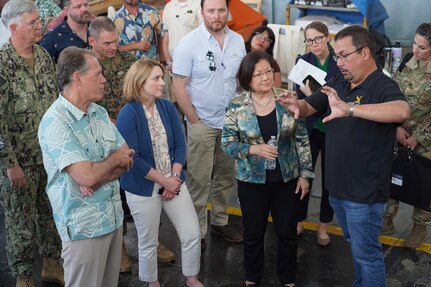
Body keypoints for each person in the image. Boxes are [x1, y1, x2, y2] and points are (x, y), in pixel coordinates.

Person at [276, 25, 410, 287]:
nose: (338, 62)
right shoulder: (338, 80)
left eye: (344, 55)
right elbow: (309, 105)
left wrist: (350, 109)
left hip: (364, 193)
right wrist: (296, 106)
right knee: (355, 246)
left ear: (365, 53)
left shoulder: (382, 85)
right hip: (337, 188)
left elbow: (401, 111)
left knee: (367, 254)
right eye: (336, 56)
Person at [38, 46, 135, 287]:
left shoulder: (99, 113)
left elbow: (127, 157)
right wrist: (109, 164)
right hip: (84, 228)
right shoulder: (55, 122)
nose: (104, 80)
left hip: (112, 220)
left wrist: (98, 173)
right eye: (98, 74)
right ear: (77, 78)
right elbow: (87, 175)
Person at [222, 51, 313, 287]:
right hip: (251, 181)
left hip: (286, 179)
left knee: (287, 232)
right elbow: (227, 144)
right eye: (258, 74)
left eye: (268, 71)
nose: (265, 77)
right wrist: (253, 150)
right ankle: (252, 277)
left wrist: (305, 175)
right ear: (246, 79)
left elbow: (301, 138)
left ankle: (288, 277)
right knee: (253, 233)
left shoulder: (287, 98)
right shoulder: (236, 106)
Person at [116, 59, 203, 287]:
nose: (162, 83)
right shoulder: (128, 113)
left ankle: (192, 278)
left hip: (173, 182)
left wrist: (173, 179)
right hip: (143, 186)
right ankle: (151, 281)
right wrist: (164, 181)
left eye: (161, 77)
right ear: (139, 81)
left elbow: (180, 145)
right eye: (156, 78)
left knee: (192, 232)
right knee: (148, 241)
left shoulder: (166, 107)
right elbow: (134, 158)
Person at [172, 0, 246, 249]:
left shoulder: (237, 41)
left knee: (226, 176)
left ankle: (220, 221)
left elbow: (240, 79)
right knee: (199, 179)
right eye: (211, 11)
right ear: (202, 12)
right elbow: (178, 87)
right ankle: (198, 230)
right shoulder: (188, 44)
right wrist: (194, 119)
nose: (217, 15)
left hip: (230, 123)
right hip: (202, 122)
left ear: (228, 11)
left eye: (221, 10)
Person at [0, 1, 63, 286]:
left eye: (40, 21)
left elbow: (54, 105)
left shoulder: (43, 55)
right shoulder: (1, 64)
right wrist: (11, 165)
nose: (41, 26)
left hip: (49, 154)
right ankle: (23, 275)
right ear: (13, 27)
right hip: (19, 161)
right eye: (33, 23)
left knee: (51, 213)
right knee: (20, 222)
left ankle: (52, 262)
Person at [381, 23, 431, 248]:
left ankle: (419, 226)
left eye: (422, 47)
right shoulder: (406, 61)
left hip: (425, 137)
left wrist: (418, 137)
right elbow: (391, 92)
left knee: (423, 180)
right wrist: (396, 126)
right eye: (414, 44)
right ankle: (387, 219)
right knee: (393, 173)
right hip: (400, 131)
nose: (416, 50)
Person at [295, 21, 341, 246]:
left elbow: (341, 98)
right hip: (310, 127)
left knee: (330, 179)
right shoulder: (302, 62)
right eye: (309, 40)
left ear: (327, 37)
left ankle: (324, 226)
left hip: (333, 127)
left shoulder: (339, 61)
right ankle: (299, 219)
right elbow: (299, 99)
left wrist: (310, 94)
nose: (313, 44)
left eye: (318, 38)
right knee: (305, 174)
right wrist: (308, 96)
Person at [162, 0, 201, 71]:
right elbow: (166, 38)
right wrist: (169, 62)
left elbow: (205, 35)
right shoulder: (168, 6)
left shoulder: (200, 4)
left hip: (195, 64)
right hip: (174, 64)